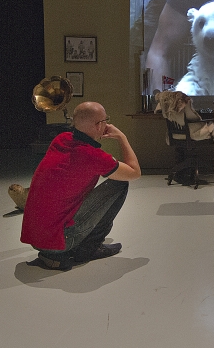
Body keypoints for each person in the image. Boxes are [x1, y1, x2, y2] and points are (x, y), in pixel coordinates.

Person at [19, 101, 141, 270]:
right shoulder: (92, 155)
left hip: (36, 238)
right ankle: (90, 248)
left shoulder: (61, 139)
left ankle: (65, 248)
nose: (107, 124)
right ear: (99, 125)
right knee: (119, 184)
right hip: (57, 244)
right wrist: (122, 137)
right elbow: (135, 172)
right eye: (105, 120)